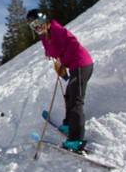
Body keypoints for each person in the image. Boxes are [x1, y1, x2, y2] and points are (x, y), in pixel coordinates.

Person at [26, 9, 94, 152]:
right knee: (69, 95)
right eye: (33, 25)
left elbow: (74, 44)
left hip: (81, 64)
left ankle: (76, 140)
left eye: (38, 23)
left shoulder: (56, 29)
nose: (37, 27)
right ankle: (69, 124)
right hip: (75, 66)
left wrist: (62, 60)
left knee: (76, 101)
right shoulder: (45, 36)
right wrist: (60, 65)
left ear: (44, 19)